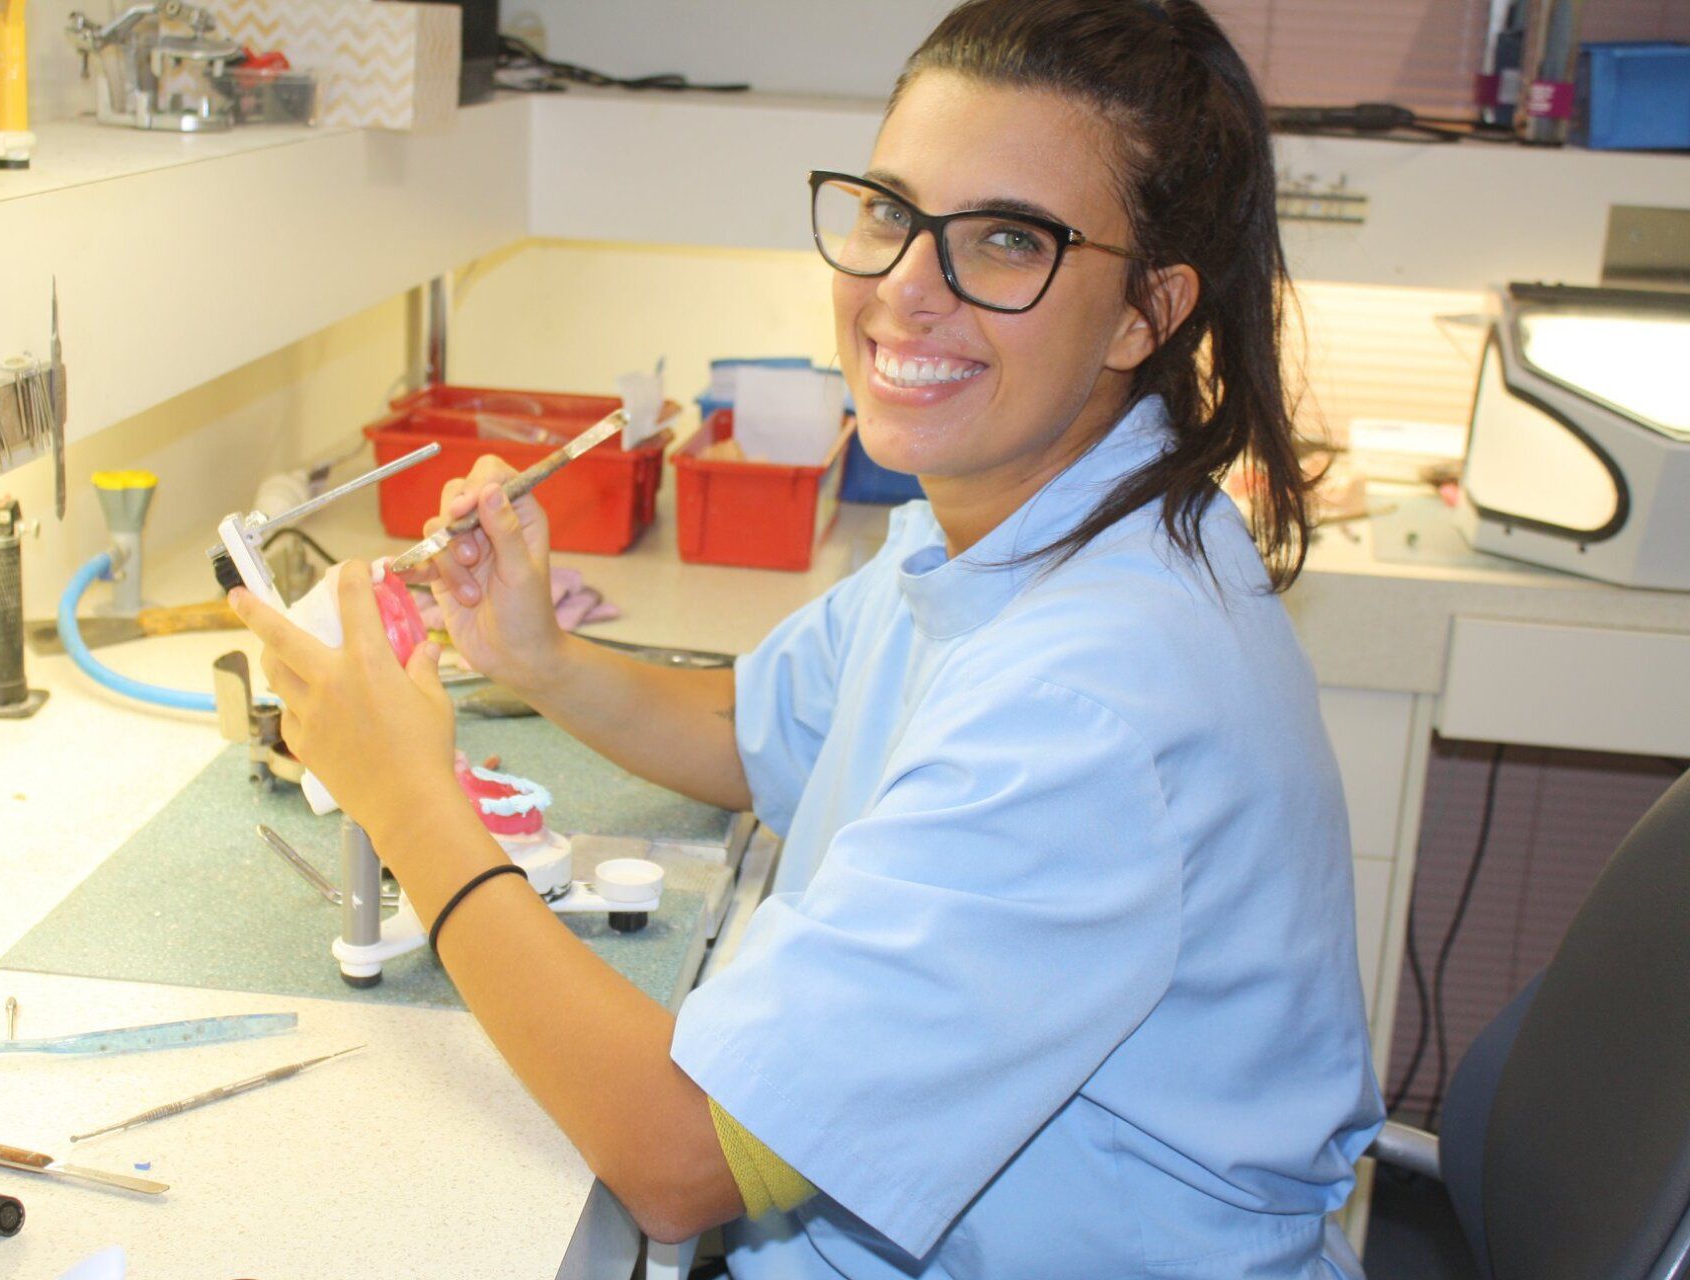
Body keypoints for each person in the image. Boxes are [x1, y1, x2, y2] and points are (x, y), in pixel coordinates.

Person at [228, 1, 1384, 1275]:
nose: (903, 290)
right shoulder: (1021, 519)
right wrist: (536, 653)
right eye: (890, 211)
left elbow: (679, 1158)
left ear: (1144, 312)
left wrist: (404, 799)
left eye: (1006, 240)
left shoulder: (1094, 700)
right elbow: (762, 726)